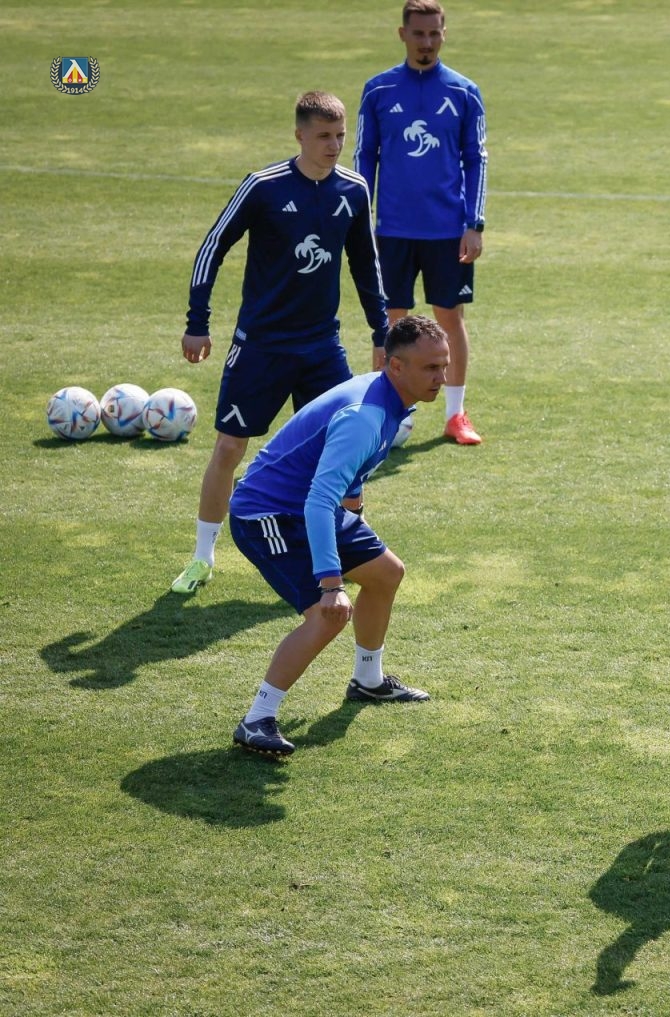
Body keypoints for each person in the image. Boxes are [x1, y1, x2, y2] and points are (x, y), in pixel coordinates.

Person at [171, 91, 390, 596]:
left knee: (348, 446)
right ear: (299, 135)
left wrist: (381, 335)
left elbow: (366, 265)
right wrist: (197, 321)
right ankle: (202, 558)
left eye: (340, 136)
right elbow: (212, 248)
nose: (334, 145)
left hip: (321, 348)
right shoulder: (263, 186)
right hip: (261, 346)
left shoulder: (354, 189)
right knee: (230, 447)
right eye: (324, 136)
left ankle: (350, 551)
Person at [227, 315, 449, 758]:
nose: (441, 378)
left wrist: (356, 517)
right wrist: (331, 584)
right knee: (329, 615)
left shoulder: (389, 398)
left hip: (311, 506)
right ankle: (257, 719)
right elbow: (317, 500)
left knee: (386, 573)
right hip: (268, 514)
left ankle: (367, 680)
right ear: (396, 365)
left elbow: (348, 473)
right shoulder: (365, 416)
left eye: (444, 366)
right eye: (431, 368)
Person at [355, 0, 488, 445]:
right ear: (403, 34)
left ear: (444, 34)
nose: (426, 42)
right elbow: (364, 157)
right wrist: (359, 219)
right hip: (391, 229)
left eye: (434, 33)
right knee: (391, 322)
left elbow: (476, 159)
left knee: (450, 318)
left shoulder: (464, 92)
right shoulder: (378, 90)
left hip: (447, 230)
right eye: (419, 33)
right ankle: (385, 415)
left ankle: (455, 415)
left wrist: (475, 223)